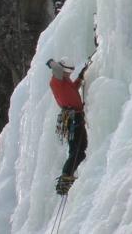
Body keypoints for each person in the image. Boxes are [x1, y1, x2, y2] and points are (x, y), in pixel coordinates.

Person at [46, 57, 88, 195]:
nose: (70, 75)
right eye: (69, 72)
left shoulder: (65, 81)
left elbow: (72, 90)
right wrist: (52, 62)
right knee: (76, 150)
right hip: (72, 117)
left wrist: (80, 77)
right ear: (63, 70)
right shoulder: (57, 81)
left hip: (75, 116)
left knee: (80, 150)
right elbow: (56, 68)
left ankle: (68, 176)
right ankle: (65, 176)